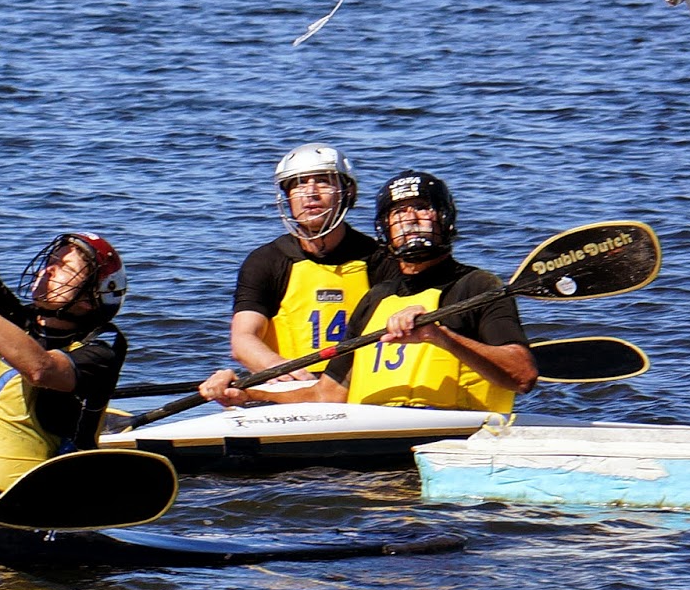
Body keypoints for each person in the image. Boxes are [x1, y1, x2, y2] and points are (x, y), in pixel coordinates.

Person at [0, 90, 128, 508]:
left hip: (34, 505)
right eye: (48, 262)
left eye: (63, 268)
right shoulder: (14, 321)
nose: (46, 271)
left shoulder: (101, 350)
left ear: (91, 299)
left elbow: (40, 369)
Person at [201, 171, 538, 414]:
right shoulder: (375, 299)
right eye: (399, 213)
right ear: (385, 230)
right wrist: (249, 394)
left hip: (456, 440)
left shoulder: (479, 286)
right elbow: (328, 395)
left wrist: (441, 337)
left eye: (422, 208)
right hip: (375, 443)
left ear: (444, 219)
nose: (411, 220)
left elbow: (522, 376)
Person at [226, 142, 397, 379]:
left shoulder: (380, 259)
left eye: (324, 181)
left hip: (359, 386)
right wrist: (279, 367)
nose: (311, 193)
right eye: (298, 184)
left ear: (347, 192)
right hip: (290, 386)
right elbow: (243, 340)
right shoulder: (265, 261)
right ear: (287, 197)